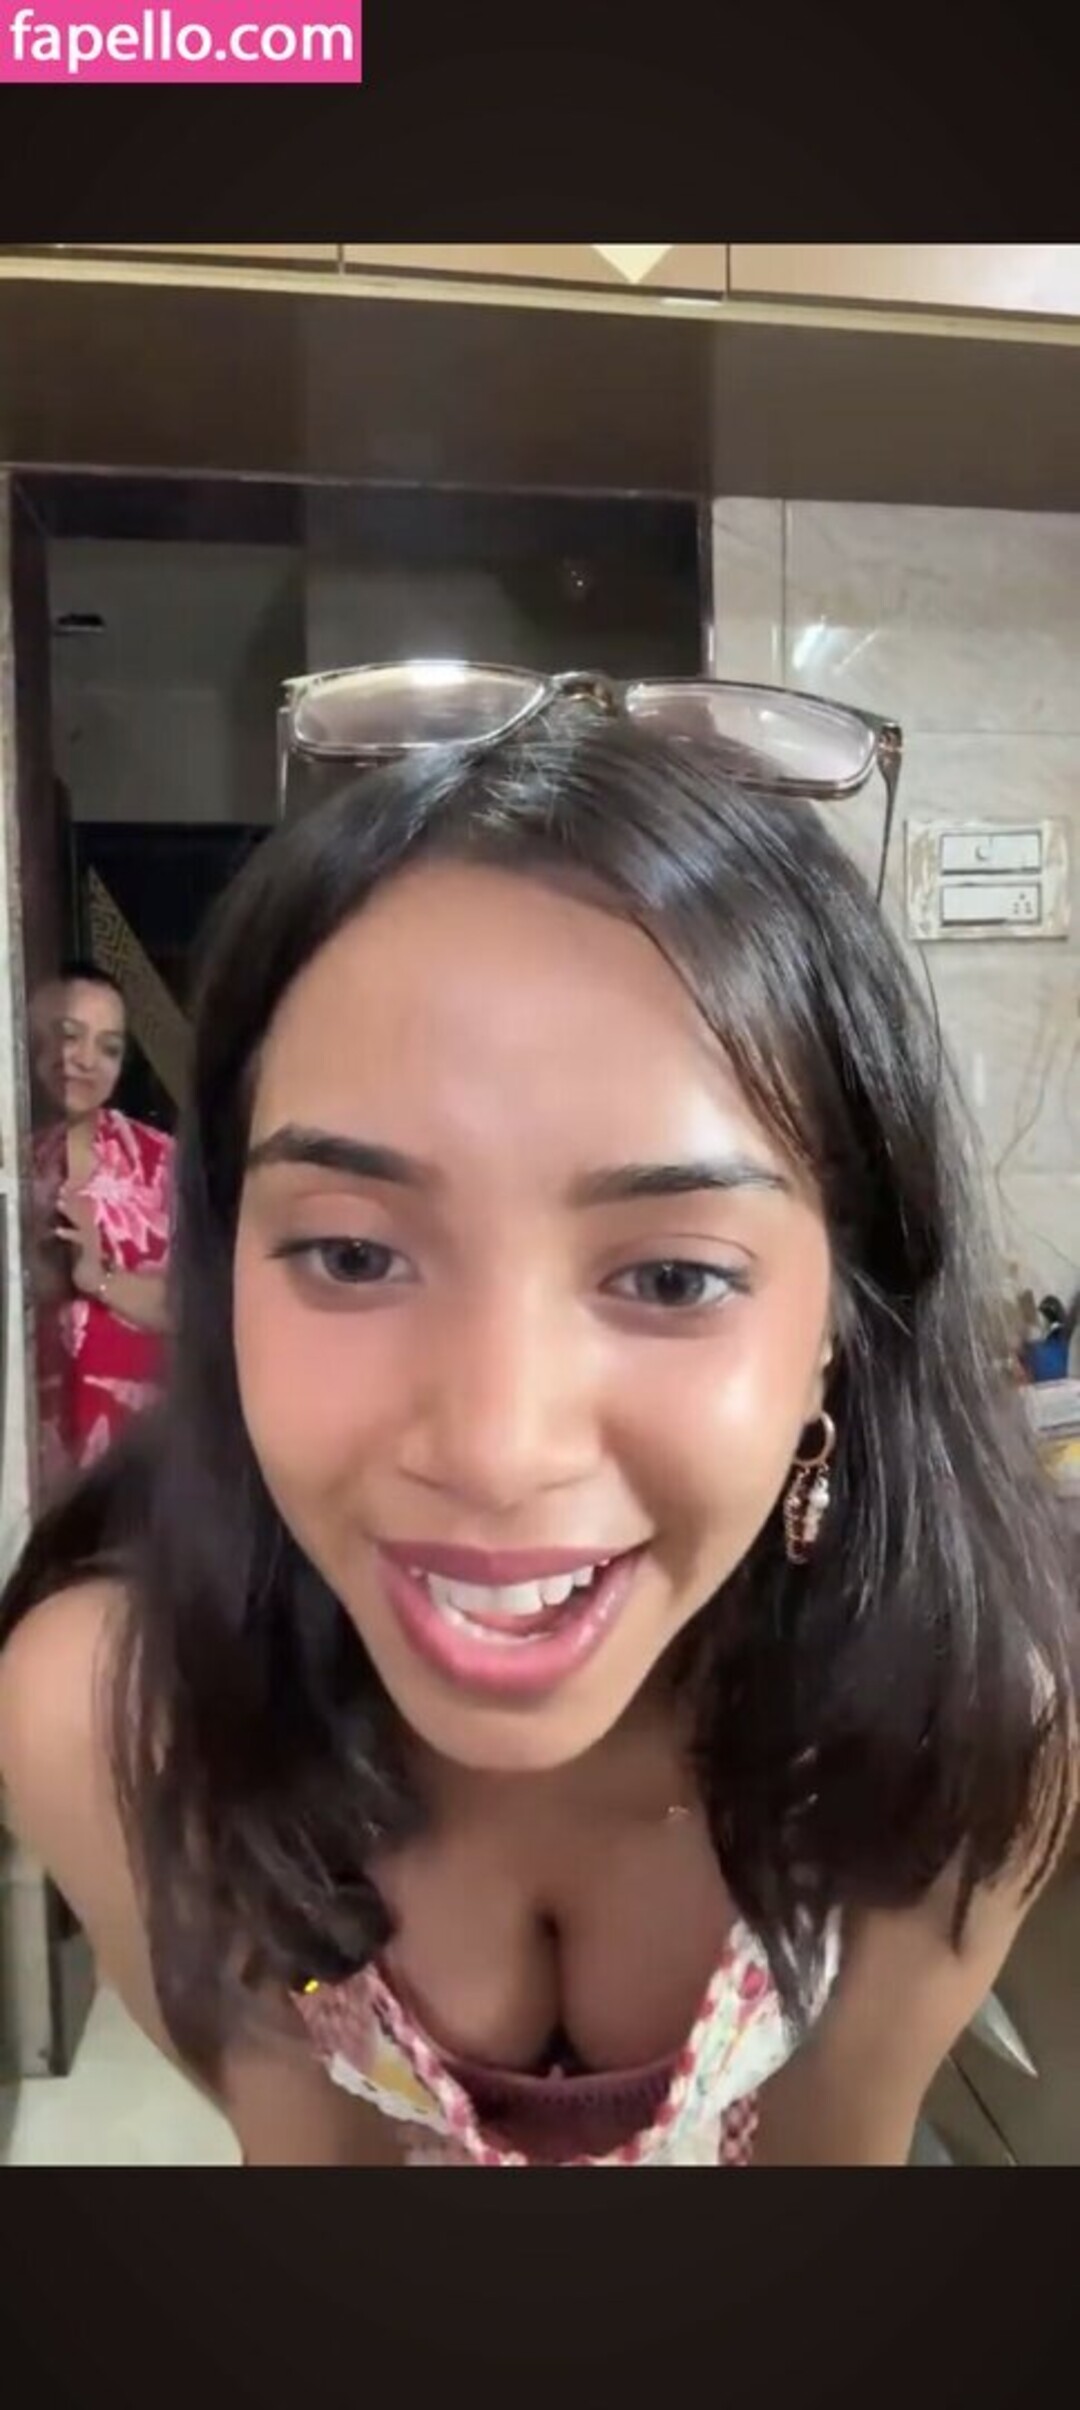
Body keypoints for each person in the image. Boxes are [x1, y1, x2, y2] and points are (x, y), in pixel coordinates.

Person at [0, 710, 1076, 2169]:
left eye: (674, 1276)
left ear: (841, 1313)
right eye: (353, 1255)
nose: (497, 1450)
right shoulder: (115, 1715)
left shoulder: (960, 1722)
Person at [29, 959, 173, 1475]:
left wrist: (98, 1278)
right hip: (31, 1462)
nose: (86, 1060)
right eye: (70, 1035)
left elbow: (201, 1307)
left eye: (109, 1047)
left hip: (140, 1460)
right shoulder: (12, 1167)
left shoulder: (163, 1164)